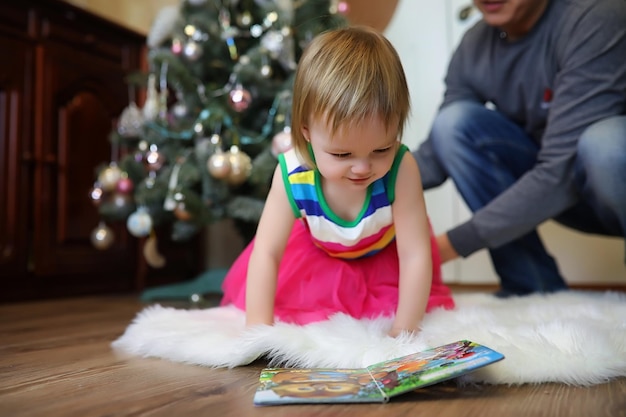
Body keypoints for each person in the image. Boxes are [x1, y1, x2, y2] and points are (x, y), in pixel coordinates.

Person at [220, 26, 454, 337]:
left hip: (384, 260)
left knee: (395, 304)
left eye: (381, 149)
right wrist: (258, 332)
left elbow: (414, 254)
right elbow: (267, 252)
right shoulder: (292, 173)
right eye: (342, 154)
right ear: (306, 131)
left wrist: (404, 330)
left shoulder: (402, 167)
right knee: (303, 312)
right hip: (317, 260)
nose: (362, 168)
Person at [412, 0, 626, 297]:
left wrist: (438, 249)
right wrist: (356, 173)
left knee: (606, 145)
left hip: (601, 178)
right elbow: (433, 157)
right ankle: (532, 289)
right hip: (560, 191)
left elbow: (557, 175)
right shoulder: (475, 44)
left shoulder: (594, 18)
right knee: (453, 123)